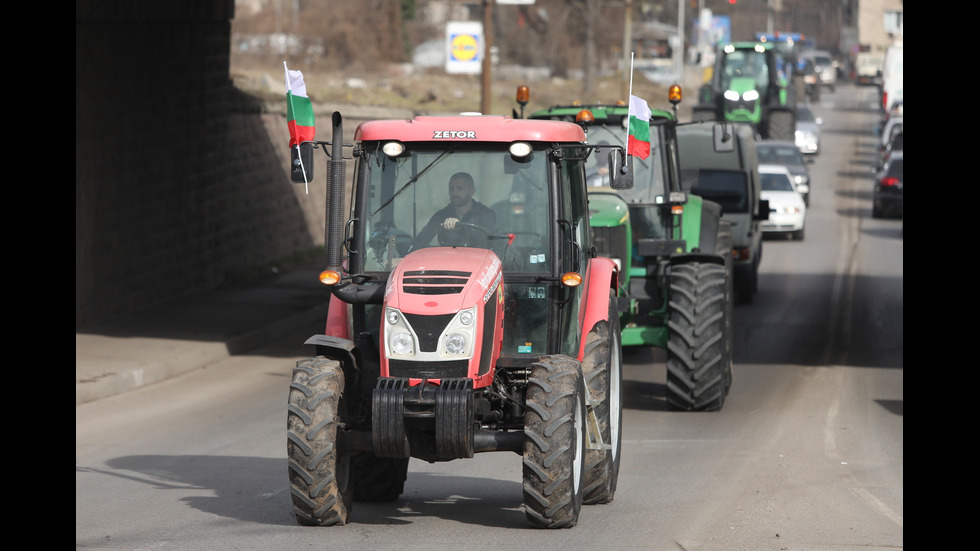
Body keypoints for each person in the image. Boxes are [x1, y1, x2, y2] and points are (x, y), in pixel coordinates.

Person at [411, 172, 497, 249]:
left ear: (472, 191)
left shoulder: (485, 215)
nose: (455, 192)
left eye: (459, 188)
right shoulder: (441, 216)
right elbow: (419, 242)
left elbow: (488, 244)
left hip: (478, 263)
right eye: (451, 189)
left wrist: (460, 228)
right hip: (447, 263)